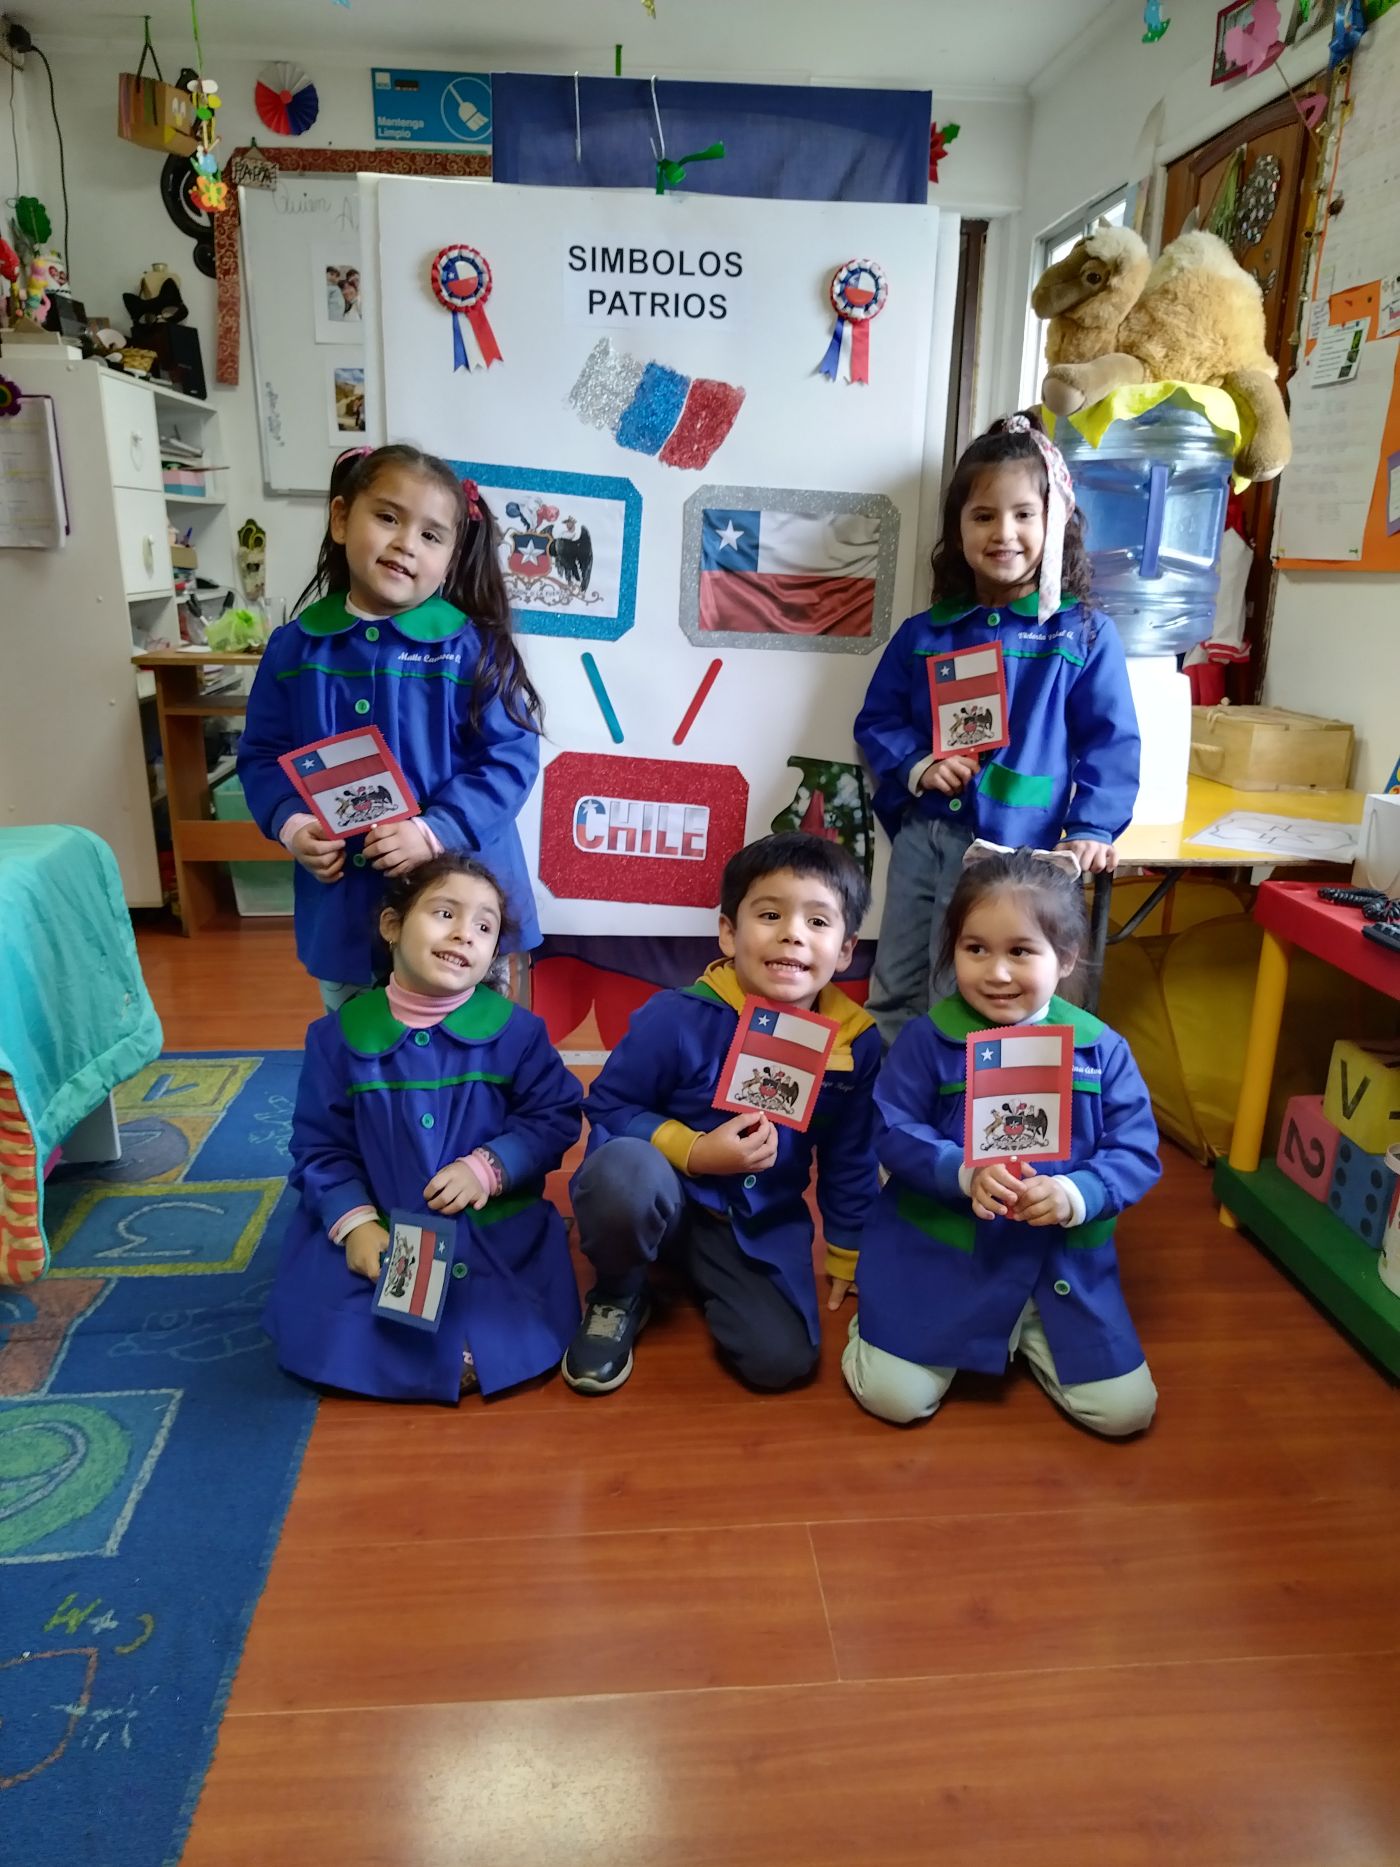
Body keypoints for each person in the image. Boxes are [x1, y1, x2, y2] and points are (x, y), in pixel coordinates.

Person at [843, 845, 1161, 1437]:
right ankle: (884, 1321)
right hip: (944, 1258)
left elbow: (1136, 1150)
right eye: (975, 949)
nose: (997, 972)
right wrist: (961, 1171)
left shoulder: (1101, 1047)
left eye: (1021, 951)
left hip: (1058, 1267)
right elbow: (890, 1128)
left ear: (1066, 957)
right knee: (896, 1398)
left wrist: (1076, 1192)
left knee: (1127, 1414)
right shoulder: (927, 1039)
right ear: (953, 951)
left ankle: (1029, 1326)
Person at [855, 409, 1140, 1047]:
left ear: (1056, 522)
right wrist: (919, 765)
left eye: (1023, 515)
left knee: (965, 994)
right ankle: (882, 1127)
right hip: (926, 837)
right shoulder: (925, 634)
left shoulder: (1083, 634)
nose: (1003, 532)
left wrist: (1094, 824)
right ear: (957, 531)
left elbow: (1110, 740)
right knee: (896, 983)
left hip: (1013, 853)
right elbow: (878, 720)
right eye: (983, 515)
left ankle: (952, 1129)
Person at [562, 831, 881, 1396]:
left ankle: (691, 1264)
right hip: (659, 1185)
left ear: (847, 949)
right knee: (625, 1172)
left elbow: (850, 1156)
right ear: (730, 932)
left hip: (751, 1223)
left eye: (818, 922)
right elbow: (609, 1104)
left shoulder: (855, 1043)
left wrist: (848, 1250)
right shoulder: (676, 1015)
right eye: (770, 914)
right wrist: (694, 1151)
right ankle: (619, 1289)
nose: (792, 934)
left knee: (780, 1363)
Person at [264, 855, 583, 1403]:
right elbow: (319, 1148)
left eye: (484, 927)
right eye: (444, 914)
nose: (464, 934)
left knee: (505, 1318)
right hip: (383, 1221)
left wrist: (489, 1167)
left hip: (488, 1222)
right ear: (391, 926)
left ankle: (467, 1342)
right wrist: (355, 1222)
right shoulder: (336, 1039)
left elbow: (553, 1117)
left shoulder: (519, 1034)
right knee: (337, 1320)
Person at [238, 444, 541, 1012]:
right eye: (387, 517)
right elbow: (261, 755)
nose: (406, 543)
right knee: (359, 1051)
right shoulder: (293, 648)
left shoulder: (473, 650)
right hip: (347, 911)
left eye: (431, 535)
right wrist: (292, 822)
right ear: (340, 518)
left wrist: (434, 831)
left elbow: (509, 760)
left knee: (479, 1055)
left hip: (462, 906)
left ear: (452, 557)